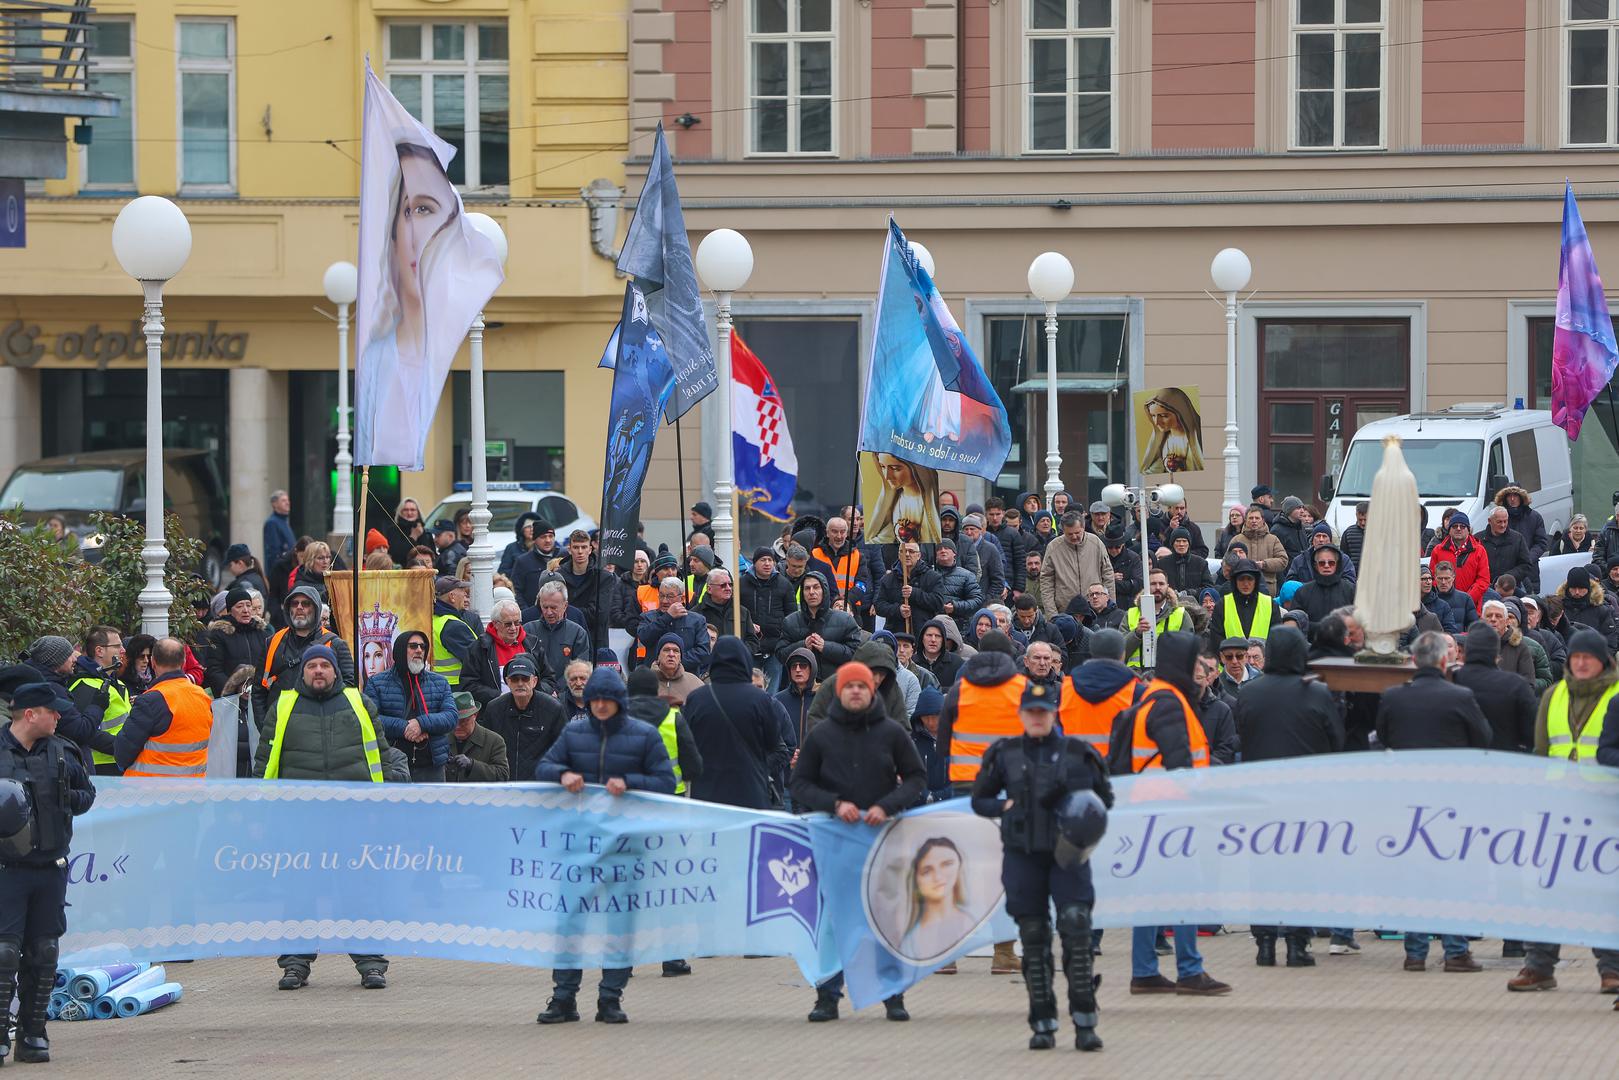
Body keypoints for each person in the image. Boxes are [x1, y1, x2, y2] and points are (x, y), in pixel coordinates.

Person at [972, 680, 1112, 1051]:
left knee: (1076, 928)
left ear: (1054, 714)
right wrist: (1003, 806)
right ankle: (1043, 1023)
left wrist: (1082, 816)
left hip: (1068, 856)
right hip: (1024, 854)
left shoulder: (1078, 753)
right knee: (1033, 937)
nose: (1037, 718)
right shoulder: (1005, 753)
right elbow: (979, 800)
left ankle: (1085, 1020)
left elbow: (1105, 800)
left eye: (1043, 712)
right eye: (1031, 712)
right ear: (1021, 715)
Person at [535, 667, 676, 1024]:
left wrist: (629, 782)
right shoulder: (574, 732)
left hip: (625, 848)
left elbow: (665, 781)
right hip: (579, 846)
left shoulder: (643, 735)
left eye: (606, 700)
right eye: (594, 699)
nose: (599, 705)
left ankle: (610, 998)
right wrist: (562, 774)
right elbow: (544, 767)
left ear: (619, 701)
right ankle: (563, 998)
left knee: (619, 925)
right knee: (570, 922)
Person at [792, 661, 926, 1023]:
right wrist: (834, 804)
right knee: (833, 922)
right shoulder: (821, 734)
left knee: (885, 919)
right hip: (835, 844)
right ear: (839, 692)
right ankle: (827, 997)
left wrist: (887, 806)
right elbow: (800, 784)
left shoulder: (891, 732)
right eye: (849, 686)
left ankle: (893, 995)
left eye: (862, 686)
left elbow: (917, 778)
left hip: (881, 842)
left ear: (871, 692)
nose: (855, 691)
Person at [254, 645, 388, 988]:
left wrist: (386, 804)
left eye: (323, 666)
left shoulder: (359, 703)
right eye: (311, 665)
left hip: (352, 817)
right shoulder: (283, 705)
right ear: (303, 672)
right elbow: (265, 760)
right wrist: (258, 811)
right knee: (299, 893)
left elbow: (381, 755)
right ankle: (295, 966)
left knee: (358, 891)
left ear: (334, 671)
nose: (318, 671)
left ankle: (371, 964)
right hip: (300, 819)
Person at [1111, 631, 1230, 997]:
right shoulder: (1170, 703)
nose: (1199, 667)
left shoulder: (1154, 697)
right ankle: (1189, 970)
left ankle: (1145, 971)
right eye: (1194, 660)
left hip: (1151, 811)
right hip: (1172, 814)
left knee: (1149, 893)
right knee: (1185, 891)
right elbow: (1180, 763)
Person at [1506, 629, 1619, 995]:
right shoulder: (1554, 695)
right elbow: (1542, 752)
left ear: (1603, 661)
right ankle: (1539, 966)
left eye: (1588, 657)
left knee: (1604, 890)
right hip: (1559, 807)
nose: (1581, 663)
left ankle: (1612, 968)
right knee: (1549, 886)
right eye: (1576, 657)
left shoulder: (1616, 695)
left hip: (1605, 807)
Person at [1373, 631, 1490, 973]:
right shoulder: (1460, 696)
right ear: (1444, 660)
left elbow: (1383, 738)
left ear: (1413, 660)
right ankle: (1455, 951)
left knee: (1414, 877)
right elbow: (1483, 738)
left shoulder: (1393, 697)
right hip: (1451, 800)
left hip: (1407, 800)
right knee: (1452, 876)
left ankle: (1415, 952)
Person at [1232, 627, 1343, 965]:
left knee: (1262, 870)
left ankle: (1265, 943)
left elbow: (1242, 736)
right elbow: (1336, 741)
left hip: (1260, 796)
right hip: (1304, 797)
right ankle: (1297, 943)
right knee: (1302, 871)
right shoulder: (1317, 693)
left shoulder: (1249, 693)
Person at [0, 681, 97, 1064]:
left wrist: (64, 799)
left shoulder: (63, 750)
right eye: (51, 710)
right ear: (30, 714)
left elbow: (87, 795)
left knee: (44, 952)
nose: (58, 716)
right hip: (6, 870)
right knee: (4, 953)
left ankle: (33, 1034)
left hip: (50, 868)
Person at [680, 638, 787, 809]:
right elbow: (774, 744)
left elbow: (685, 743)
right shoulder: (760, 699)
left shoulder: (696, 698)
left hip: (707, 795)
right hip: (750, 793)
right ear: (745, 660)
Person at [114, 637, 215, 779]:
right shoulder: (203, 697)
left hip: (150, 787)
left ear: (153, 662)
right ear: (183, 662)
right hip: (193, 785)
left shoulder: (151, 700)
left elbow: (123, 751)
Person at [365, 629, 456, 783]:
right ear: (401, 650)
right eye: (413, 646)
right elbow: (370, 720)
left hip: (431, 766)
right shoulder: (377, 683)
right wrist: (405, 727)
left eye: (423, 646)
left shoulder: (440, 682)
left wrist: (421, 724)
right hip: (393, 766)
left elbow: (451, 716)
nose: (419, 650)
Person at [254, 586, 356, 721]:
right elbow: (258, 690)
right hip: (279, 725)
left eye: (306, 604)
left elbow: (348, 688)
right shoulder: (272, 642)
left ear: (316, 609)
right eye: (294, 603)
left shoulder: (336, 644)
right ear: (288, 609)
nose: (299, 607)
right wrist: (264, 725)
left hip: (319, 724)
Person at [478, 655, 565, 782]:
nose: (520, 683)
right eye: (514, 679)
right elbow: (486, 750)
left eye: (525, 678)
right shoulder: (494, 708)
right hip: (503, 784)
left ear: (534, 681)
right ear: (507, 681)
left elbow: (562, 750)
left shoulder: (553, 709)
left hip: (540, 784)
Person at [1452, 622, 1536, 754]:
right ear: (1496, 654)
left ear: (1466, 651)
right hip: (1505, 759)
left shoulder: (1451, 680)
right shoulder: (1516, 685)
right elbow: (1532, 733)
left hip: (1460, 761)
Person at [67, 627, 131, 777]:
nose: (123, 650)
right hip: (98, 767)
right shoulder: (84, 685)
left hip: (119, 763)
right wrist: (123, 746)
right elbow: (83, 730)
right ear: (99, 651)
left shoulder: (119, 684)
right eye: (117, 646)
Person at [777, 571, 860, 683]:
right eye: (807, 588)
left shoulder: (845, 620)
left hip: (835, 685)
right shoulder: (790, 621)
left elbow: (856, 654)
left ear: (824, 590)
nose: (811, 592)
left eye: (816, 587)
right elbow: (781, 654)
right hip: (801, 687)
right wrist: (803, 646)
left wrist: (826, 647)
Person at [1038, 512, 1115, 620]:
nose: (1074, 537)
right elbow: (1046, 582)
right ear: (1063, 531)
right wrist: (1052, 615)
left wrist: (1110, 607)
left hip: (1095, 610)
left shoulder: (1096, 543)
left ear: (1083, 527)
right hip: (1065, 612)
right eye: (1069, 534)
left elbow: (1107, 575)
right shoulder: (1053, 548)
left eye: (1077, 532)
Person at [635, 577, 712, 676]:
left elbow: (703, 651)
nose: (664, 601)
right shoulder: (648, 617)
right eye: (661, 595)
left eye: (670, 596)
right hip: (656, 677)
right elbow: (644, 637)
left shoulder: (697, 620)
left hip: (687, 676)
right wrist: (667, 617)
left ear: (682, 598)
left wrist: (675, 662)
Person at [204, 586, 270, 697]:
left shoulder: (262, 633)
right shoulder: (219, 634)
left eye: (248, 605)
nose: (246, 610)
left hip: (258, 695)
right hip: (231, 698)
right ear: (230, 611)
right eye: (239, 606)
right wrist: (233, 691)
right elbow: (214, 669)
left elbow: (270, 666)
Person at [874, 541, 945, 634]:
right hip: (896, 634)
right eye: (903, 551)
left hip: (923, 633)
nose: (907, 554)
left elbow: (938, 603)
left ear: (919, 555)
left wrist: (914, 593)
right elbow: (879, 606)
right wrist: (897, 610)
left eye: (911, 551)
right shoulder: (888, 579)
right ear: (899, 555)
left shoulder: (933, 577)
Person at [1209, 561, 1279, 651]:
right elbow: (1216, 639)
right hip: (1231, 659)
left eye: (1250, 579)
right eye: (1241, 579)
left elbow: (1276, 639)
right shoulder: (1222, 605)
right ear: (1235, 581)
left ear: (1256, 581)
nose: (1246, 584)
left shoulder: (1270, 604)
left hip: (1263, 659)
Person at [444, 693, 509, 782]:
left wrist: (472, 765)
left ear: (475, 715)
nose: (458, 726)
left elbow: (502, 775)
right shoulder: (442, 739)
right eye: (454, 721)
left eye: (464, 721)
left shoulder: (494, 741)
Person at [1289, 543, 1357, 627]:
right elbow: (1296, 621)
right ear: (1315, 565)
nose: (1326, 566)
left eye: (1331, 563)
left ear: (1337, 565)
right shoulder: (1303, 592)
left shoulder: (1350, 590)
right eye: (1322, 563)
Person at [1558, 565, 1619, 652]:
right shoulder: (1559, 608)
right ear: (1568, 588)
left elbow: (1610, 641)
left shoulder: (1601, 610)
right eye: (1573, 588)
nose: (1577, 592)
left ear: (1588, 588)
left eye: (1581, 588)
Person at [1480, 505, 1535, 593]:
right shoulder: (1478, 540)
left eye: (1505, 521)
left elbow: (1526, 565)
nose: (1503, 525)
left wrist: (1507, 577)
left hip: (1511, 589)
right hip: (1485, 588)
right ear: (1489, 521)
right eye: (1499, 522)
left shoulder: (1517, 539)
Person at [1494, 484, 1550, 570]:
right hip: (1505, 569)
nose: (1512, 499)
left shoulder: (1534, 517)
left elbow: (1541, 543)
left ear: (1521, 497)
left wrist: (1527, 559)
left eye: (1515, 495)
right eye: (1509, 496)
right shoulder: (1498, 518)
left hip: (1529, 569)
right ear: (1505, 498)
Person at [1236, 506, 1288, 595]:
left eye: (1257, 518)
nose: (1254, 521)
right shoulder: (1237, 540)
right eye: (1251, 518)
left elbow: (1283, 560)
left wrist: (1264, 564)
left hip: (1267, 589)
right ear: (1245, 520)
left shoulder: (1273, 539)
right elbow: (1227, 561)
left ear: (1263, 520)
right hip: (1242, 588)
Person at [985, 497, 1029, 595]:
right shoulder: (982, 533)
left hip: (1009, 585)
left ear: (1003, 514)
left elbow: (1020, 563)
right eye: (991, 514)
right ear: (986, 514)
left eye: (998, 514)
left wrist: (1018, 589)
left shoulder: (1013, 534)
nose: (995, 518)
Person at [1155, 528, 1212, 594]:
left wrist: (1189, 593)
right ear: (1172, 543)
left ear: (1189, 543)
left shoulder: (1201, 563)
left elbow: (1209, 587)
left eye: (1184, 541)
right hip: (1169, 599)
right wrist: (1170, 592)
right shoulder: (1162, 563)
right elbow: (1156, 584)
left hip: (1195, 600)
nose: (1181, 544)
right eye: (1178, 541)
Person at [1430, 559, 1479, 630]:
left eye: (1447, 578)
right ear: (1435, 578)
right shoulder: (1428, 599)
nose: (1443, 582)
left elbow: (1474, 627)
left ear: (1453, 578)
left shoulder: (1465, 599)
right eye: (1440, 578)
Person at [263, 490, 295, 572]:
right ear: (275, 504)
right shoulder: (272, 523)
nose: (287, 503)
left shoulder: (284, 522)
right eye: (283, 500)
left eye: (287, 500)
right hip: (280, 571)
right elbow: (273, 552)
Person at [1339, 501, 1369, 568]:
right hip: (1353, 572)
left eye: (1365, 520)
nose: (1363, 523)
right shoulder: (1348, 533)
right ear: (1356, 515)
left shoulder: (1378, 533)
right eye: (1360, 520)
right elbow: (1343, 556)